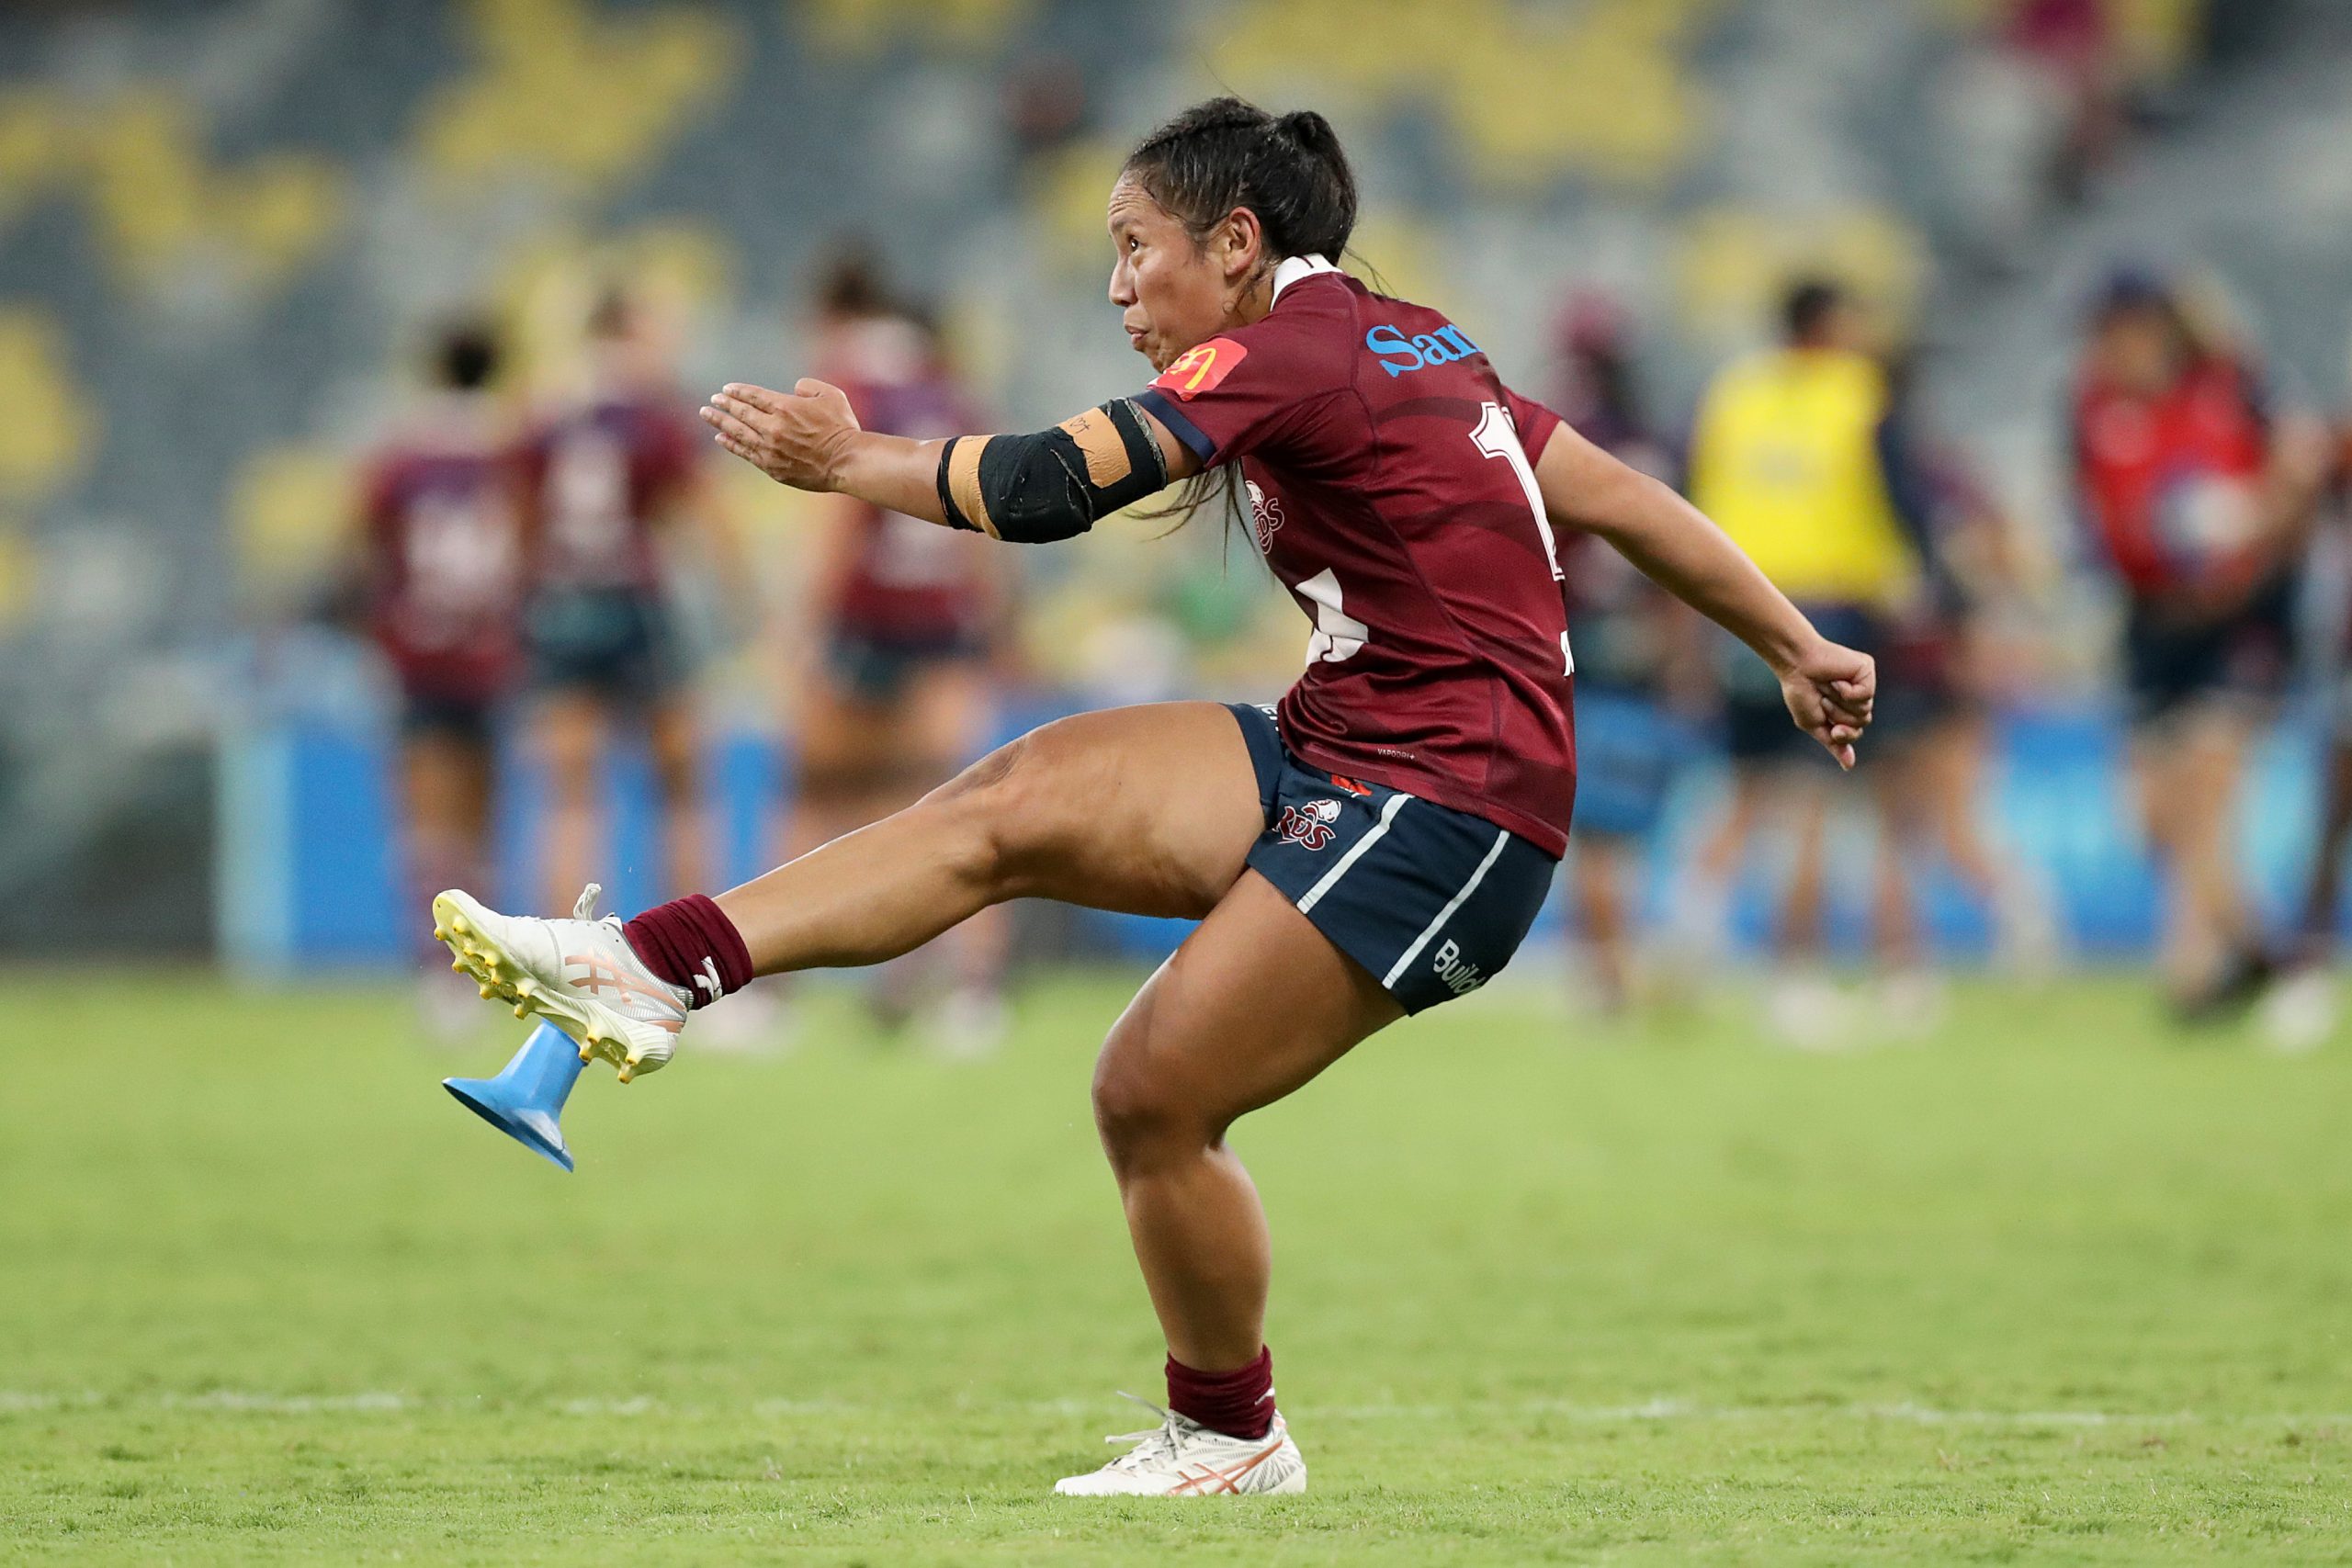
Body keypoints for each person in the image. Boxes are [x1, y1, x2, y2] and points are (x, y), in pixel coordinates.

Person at [430, 99, 1874, 1495]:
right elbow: (1615, 496)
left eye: (1138, 247)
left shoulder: (1298, 350)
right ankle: (654, 963)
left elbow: (1058, 484)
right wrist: (1797, 642)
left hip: (1451, 798)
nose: (1120, 283)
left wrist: (849, 461)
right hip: (1353, 743)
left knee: (1150, 1090)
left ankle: (1232, 1435)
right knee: (1017, 793)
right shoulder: (1413, 339)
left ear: (1235, 241)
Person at [2070, 268, 2326, 1018]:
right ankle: (2258, 958)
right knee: (2151, 818)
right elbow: (2092, 507)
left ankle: (2200, 968)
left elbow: (2298, 470)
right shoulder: (2091, 406)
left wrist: (2254, 542)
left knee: (2205, 806)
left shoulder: (2230, 385)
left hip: (2238, 624)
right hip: (2151, 624)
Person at [1679, 280, 1928, 1036]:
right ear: (1829, 323)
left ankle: (1690, 933)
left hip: (1737, 606)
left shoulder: (1735, 394)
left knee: (1750, 788)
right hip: (1830, 612)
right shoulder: (1857, 392)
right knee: (1819, 797)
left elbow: (1692, 497)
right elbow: (1901, 499)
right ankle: (1800, 970)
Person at [783, 253, 1012, 1051]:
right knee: (952, 800)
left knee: (818, 794)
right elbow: (987, 510)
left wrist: (803, 627)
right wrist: (994, 620)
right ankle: (965, 991)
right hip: (943, 618)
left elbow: (842, 507)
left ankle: (759, 987)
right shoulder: (949, 387)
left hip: (866, 618)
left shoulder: (851, 387)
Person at [519, 288, 730, 915]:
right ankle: (691, 960)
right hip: (637, 600)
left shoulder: (544, 412)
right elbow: (703, 516)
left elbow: (520, 518)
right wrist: (745, 605)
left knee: (570, 796)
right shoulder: (652, 416)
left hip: (560, 601)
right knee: (686, 786)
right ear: (629, 336)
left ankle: (567, 958)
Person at [356, 321, 526, 1036]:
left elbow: (366, 549)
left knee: (427, 823)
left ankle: (439, 978)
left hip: (418, 651)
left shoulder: (399, 458)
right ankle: (485, 969)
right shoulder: (514, 453)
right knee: (482, 823)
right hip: (491, 651)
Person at [1544, 297, 1704, 1012]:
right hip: (1644, 664)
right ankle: (1618, 972)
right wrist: (1686, 659)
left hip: (1580, 661)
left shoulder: (1555, 441)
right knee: (1626, 838)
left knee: (1594, 839)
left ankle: (1605, 980)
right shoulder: (1656, 446)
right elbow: (1683, 564)